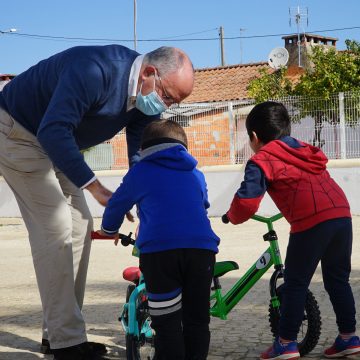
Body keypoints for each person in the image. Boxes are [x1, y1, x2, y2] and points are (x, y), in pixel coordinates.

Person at [0, 45, 194, 360]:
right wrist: (96, 187)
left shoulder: (145, 95)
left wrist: (144, 196)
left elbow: (139, 150)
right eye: (169, 96)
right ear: (148, 73)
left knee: (80, 225)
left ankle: (60, 334)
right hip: (18, 132)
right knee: (57, 227)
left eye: (175, 102)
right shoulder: (95, 71)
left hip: (59, 141)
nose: (167, 105)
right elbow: (53, 130)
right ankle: (67, 343)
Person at [223, 101, 359, 360]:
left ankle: (285, 343)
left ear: (254, 136)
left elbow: (247, 202)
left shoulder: (261, 159)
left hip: (311, 221)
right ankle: (348, 337)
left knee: (295, 283)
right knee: (337, 280)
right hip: (341, 213)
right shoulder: (305, 150)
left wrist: (231, 217)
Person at [99, 120, 219, 360]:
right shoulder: (196, 172)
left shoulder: (140, 172)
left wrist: (108, 229)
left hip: (160, 254)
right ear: (183, 147)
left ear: (143, 149)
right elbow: (201, 204)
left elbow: (115, 205)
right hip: (201, 251)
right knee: (197, 320)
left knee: (167, 324)